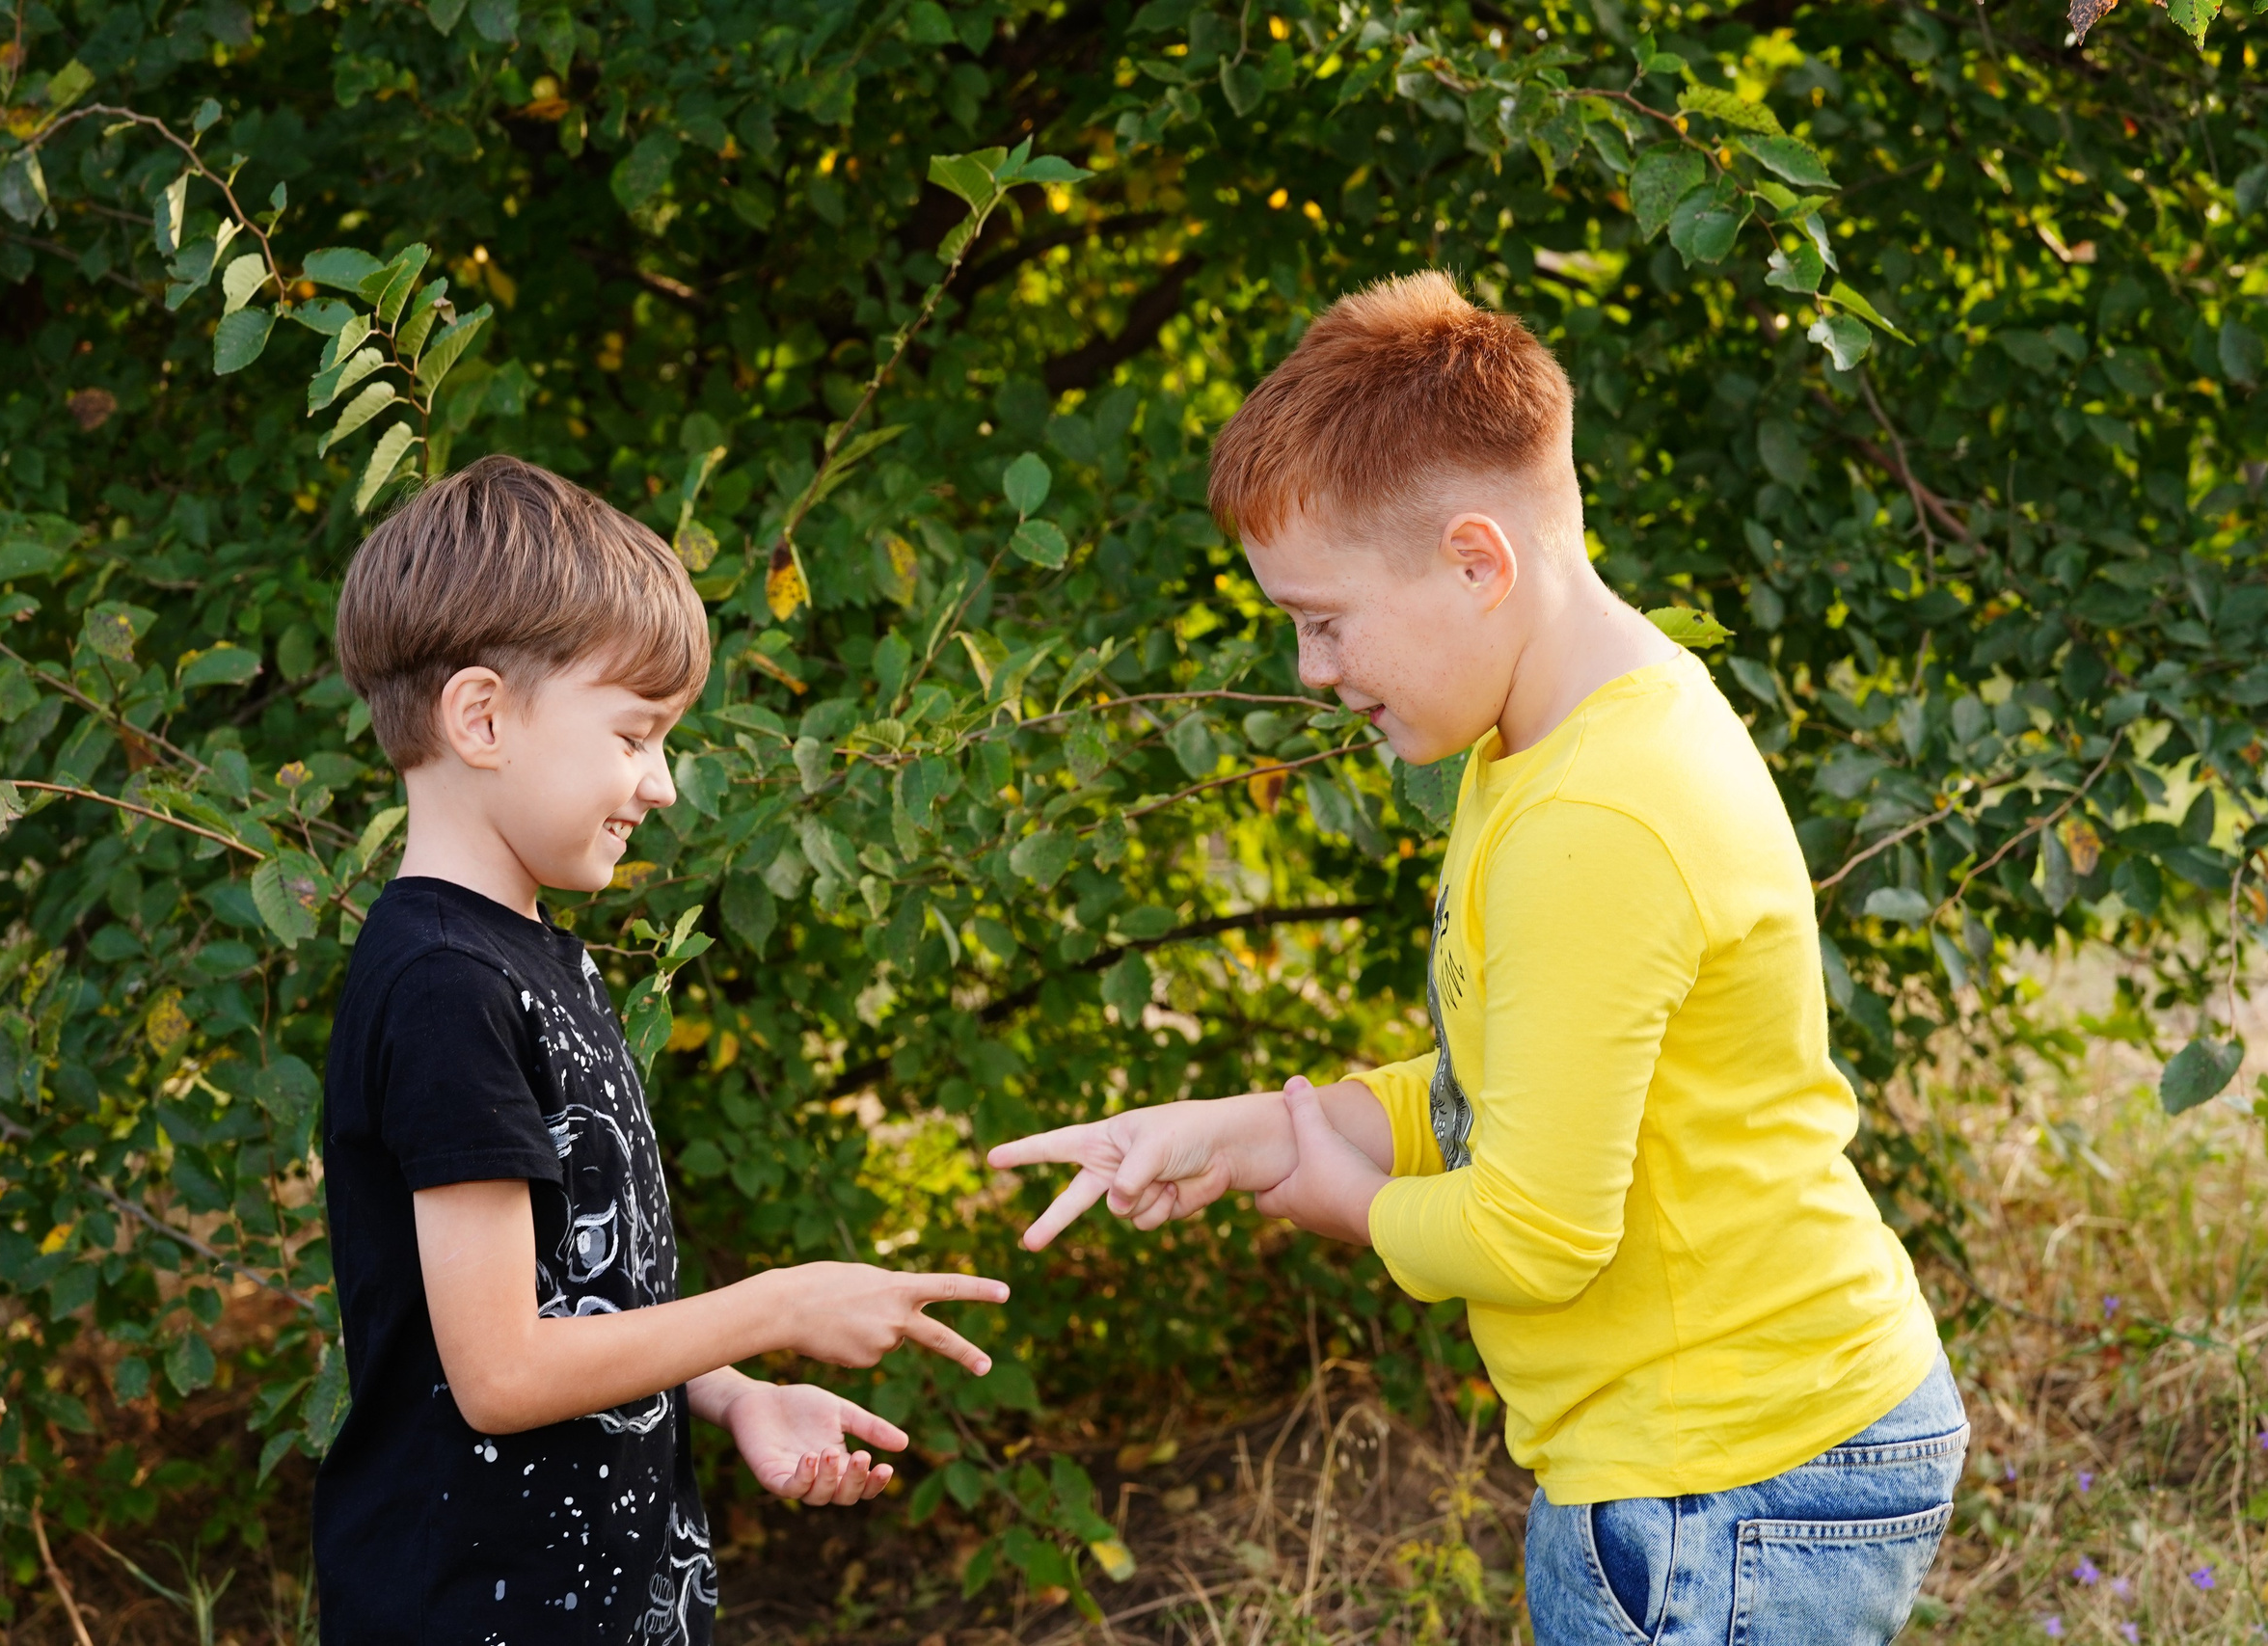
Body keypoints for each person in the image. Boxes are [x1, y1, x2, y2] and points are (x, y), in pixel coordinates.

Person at [988, 274, 1965, 1644]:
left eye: (1324, 618)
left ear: (1475, 561)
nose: (1311, 668)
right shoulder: (1555, 740)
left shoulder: (1594, 815)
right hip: (1727, 1444)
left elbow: (1535, 1232)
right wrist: (1268, 1129)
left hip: (1728, 1474)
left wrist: (1348, 1200)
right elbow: (1518, 1076)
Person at [316, 456, 1008, 1643]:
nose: (664, 786)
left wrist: (731, 1394)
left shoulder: (539, 959)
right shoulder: (443, 988)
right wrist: (780, 1304)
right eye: (635, 736)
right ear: (482, 718)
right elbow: (502, 1373)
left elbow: (579, 1296)